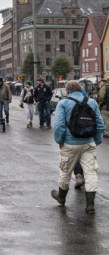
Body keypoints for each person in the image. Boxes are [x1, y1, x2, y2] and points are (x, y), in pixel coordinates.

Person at [51, 79, 104, 214]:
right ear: (81, 89)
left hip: (70, 143)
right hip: (88, 143)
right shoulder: (91, 102)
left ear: (68, 91)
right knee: (91, 172)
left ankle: (61, 197)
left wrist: (60, 141)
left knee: (65, 171)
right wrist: (96, 141)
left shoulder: (63, 103)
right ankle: (90, 205)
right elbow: (100, 125)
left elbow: (59, 126)